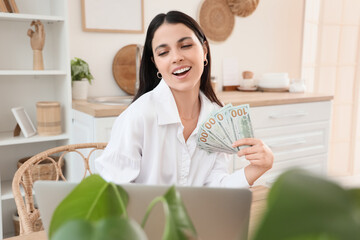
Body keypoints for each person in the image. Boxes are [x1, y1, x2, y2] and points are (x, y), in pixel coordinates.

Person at [95, 11, 273, 187]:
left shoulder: (217, 115)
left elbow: (215, 189)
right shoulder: (138, 117)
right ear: (155, 63)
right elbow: (112, 190)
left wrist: (258, 168)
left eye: (186, 45)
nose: (176, 57)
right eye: (163, 52)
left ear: (204, 51)